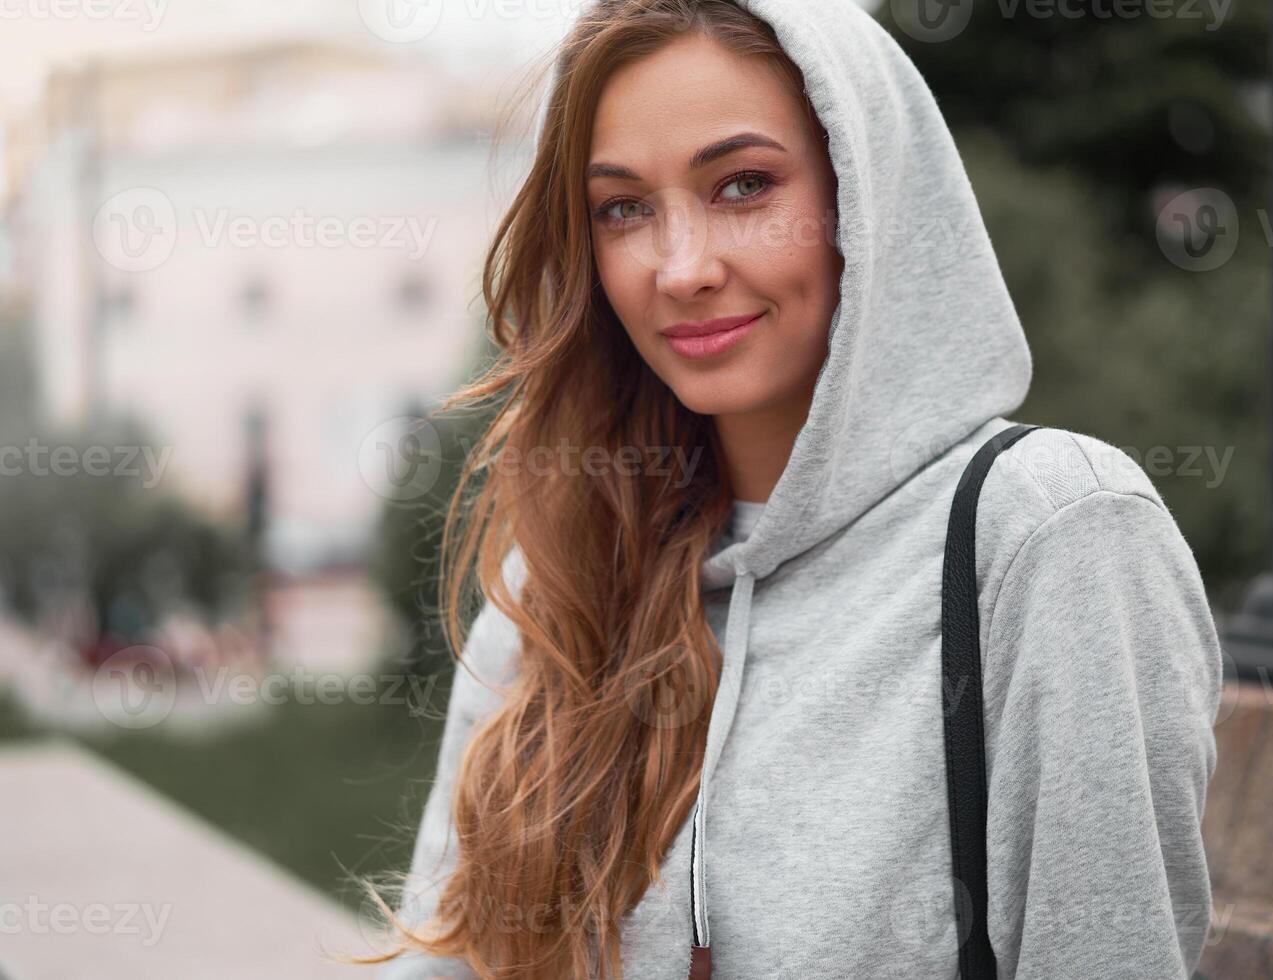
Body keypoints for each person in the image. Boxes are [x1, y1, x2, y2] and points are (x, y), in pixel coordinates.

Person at [362, 1, 1222, 977]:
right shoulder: (563, 568)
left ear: (865, 189)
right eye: (624, 207)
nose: (681, 268)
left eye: (743, 184)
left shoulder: (1050, 533)